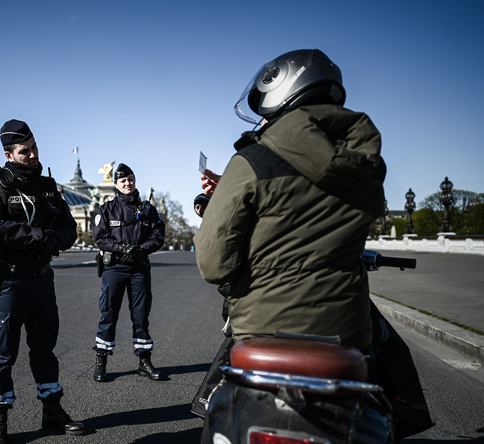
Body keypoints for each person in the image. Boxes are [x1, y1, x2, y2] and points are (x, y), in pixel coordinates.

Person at [193, 49, 432, 437]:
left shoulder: (251, 161)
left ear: (280, 93)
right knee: (388, 368)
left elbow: (213, 264)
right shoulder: (368, 166)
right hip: (346, 329)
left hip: (262, 327)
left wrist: (234, 188)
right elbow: (309, 201)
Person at [0, 119, 85, 443]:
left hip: (42, 280)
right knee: (2, 354)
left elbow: (69, 229)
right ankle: (0, 421)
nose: (33, 154)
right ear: (9, 154)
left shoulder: (48, 187)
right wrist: (39, 237)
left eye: (35, 147)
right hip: (9, 282)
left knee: (45, 350)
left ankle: (52, 410)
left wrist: (55, 240)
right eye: (26, 151)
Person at [91, 163, 166, 382]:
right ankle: (101, 363)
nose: (127, 183)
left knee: (141, 316)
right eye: (123, 181)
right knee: (108, 314)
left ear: (134, 181)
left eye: (130, 179)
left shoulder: (147, 209)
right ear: (116, 184)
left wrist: (141, 249)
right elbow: (100, 237)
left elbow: (158, 235)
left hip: (139, 267)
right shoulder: (106, 209)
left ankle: (144, 361)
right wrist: (121, 248)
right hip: (114, 267)